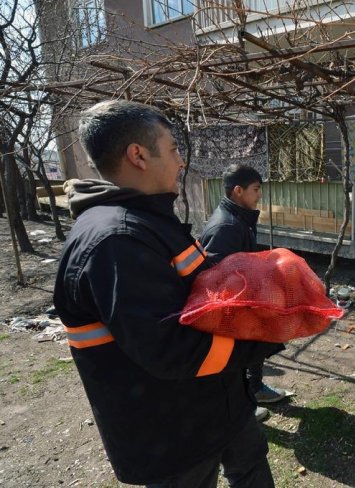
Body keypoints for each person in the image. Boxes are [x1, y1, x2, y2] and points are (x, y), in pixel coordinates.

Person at [53, 100, 281, 488]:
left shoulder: (151, 222)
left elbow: (201, 288)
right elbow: (173, 350)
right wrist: (267, 333)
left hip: (219, 405)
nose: (181, 162)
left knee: (251, 468)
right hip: (175, 435)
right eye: (174, 149)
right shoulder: (116, 240)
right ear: (138, 155)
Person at [199, 164, 288, 422]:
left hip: (249, 299)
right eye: (256, 189)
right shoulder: (225, 227)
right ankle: (244, 408)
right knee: (237, 359)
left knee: (254, 349)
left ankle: (256, 389)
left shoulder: (240, 218)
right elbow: (216, 276)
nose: (259, 195)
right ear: (238, 191)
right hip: (233, 308)